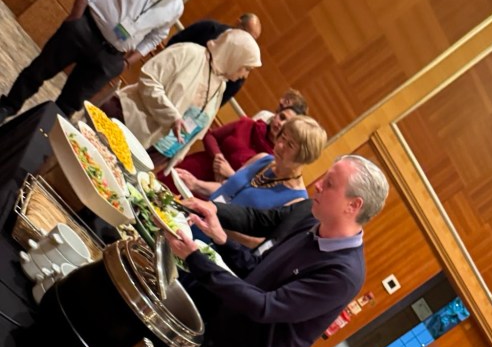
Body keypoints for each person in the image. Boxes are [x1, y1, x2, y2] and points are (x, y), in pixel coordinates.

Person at [164, 154, 389, 347]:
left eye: (329, 184)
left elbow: (265, 306)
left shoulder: (343, 273)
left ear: (353, 205)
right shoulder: (312, 221)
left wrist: (195, 259)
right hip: (214, 332)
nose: (317, 185)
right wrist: (223, 240)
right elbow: (256, 270)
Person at [0, 0, 206, 123]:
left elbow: (156, 37)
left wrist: (126, 63)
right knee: (38, 71)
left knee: (68, 107)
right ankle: (7, 107)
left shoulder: (176, 7)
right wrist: (75, 17)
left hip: (110, 58)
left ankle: (31, 141)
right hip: (85, 29)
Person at [107, 28, 261, 164]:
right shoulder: (189, 52)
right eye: (246, 68)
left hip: (151, 149)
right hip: (124, 120)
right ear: (234, 56)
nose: (244, 76)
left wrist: (175, 157)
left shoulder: (221, 86)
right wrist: (171, 116)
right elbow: (148, 79)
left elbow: (196, 127)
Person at [175, 114, 327, 216]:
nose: (280, 145)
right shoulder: (262, 159)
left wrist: (217, 216)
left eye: (290, 145)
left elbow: (258, 242)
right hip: (197, 217)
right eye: (282, 138)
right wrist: (196, 184)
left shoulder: (296, 199)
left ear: (304, 156)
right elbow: (226, 189)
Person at [169, 91, 308, 184]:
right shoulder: (248, 124)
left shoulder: (275, 158)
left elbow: (253, 190)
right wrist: (218, 156)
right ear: (276, 114)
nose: (280, 123)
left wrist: (230, 173)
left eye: (287, 124)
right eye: (281, 117)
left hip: (215, 191)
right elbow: (211, 135)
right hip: (195, 167)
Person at [165, 12, 262, 103]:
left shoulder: (241, 69)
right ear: (237, 23)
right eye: (246, 33)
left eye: (252, 40)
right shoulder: (208, 28)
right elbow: (175, 44)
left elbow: (220, 100)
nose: (247, 40)